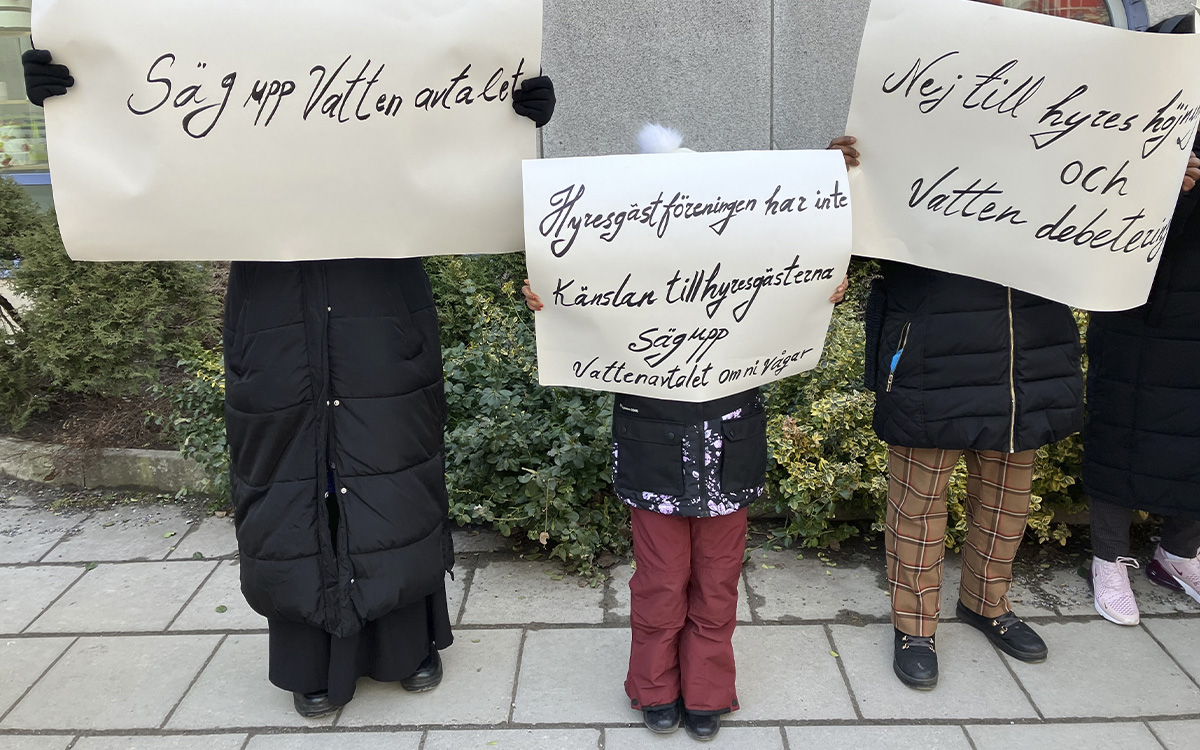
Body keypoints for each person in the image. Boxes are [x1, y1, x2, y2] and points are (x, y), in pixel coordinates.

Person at [24, 46, 555, 717]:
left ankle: (404, 644)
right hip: (273, 300)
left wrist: (508, 120)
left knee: (387, 457)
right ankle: (313, 657)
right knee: (292, 473)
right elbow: (164, 137)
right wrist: (81, 105)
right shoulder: (235, 36)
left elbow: (442, 135)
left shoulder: (386, 30)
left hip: (379, 290)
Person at [523, 124, 848, 741]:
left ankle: (706, 689)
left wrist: (819, 289)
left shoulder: (749, 264)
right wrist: (552, 302)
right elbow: (584, 296)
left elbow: (791, 284)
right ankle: (654, 688)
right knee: (661, 580)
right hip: (655, 452)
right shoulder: (626, 264)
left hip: (731, 449)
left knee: (718, 580)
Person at [833, 127, 1084, 688]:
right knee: (918, 509)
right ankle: (914, 626)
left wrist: (1163, 193)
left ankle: (986, 604)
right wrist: (839, 183)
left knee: (1006, 502)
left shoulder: (1064, 138)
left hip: (1026, 354)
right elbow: (850, 245)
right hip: (930, 353)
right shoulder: (915, 131)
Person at [1083, 13, 1200, 627]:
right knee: (1122, 433)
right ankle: (1108, 560)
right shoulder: (1118, 120)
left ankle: (1178, 553)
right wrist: (1166, 194)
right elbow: (1097, 221)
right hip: (1141, 312)